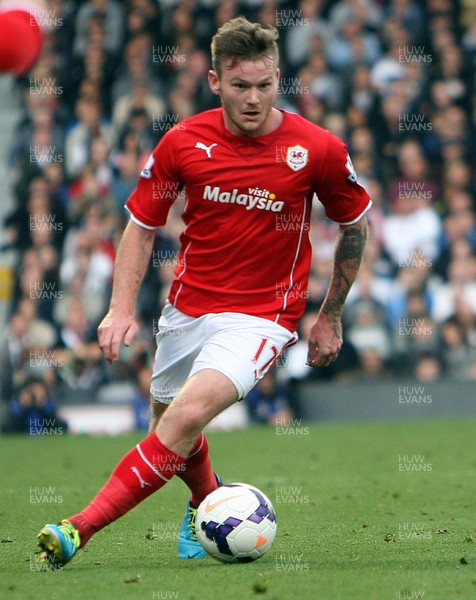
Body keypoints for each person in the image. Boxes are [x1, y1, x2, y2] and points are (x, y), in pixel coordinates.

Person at [37, 16, 371, 567]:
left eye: (265, 85)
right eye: (240, 86)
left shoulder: (317, 148)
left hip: (263, 317)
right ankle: (205, 500)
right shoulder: (183, 142)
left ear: (278, 77)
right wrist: (121, 307)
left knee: (186, 418)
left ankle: (79, 527)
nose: (253, 98)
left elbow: (355, 225)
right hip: (186, 310)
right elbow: (142, 226)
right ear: (215, 81)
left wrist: (330, 314)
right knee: (169, 430)